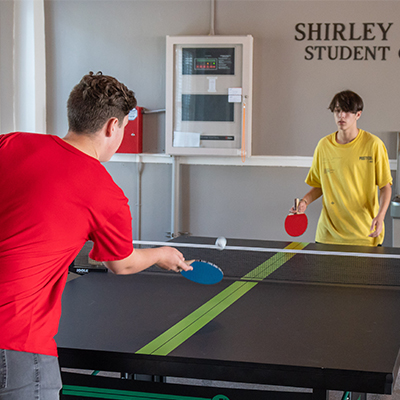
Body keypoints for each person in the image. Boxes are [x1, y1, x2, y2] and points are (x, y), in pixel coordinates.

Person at [0, 71, 191, 400]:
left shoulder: (11, 142)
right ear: (112, 126)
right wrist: (162, 253)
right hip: (17, 338)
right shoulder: (106, 193)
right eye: (124, 130)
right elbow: (122, 264)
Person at [293, 90, 392, 246]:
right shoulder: (323, 146)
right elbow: (319, 186)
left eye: (347, 111)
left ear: (358, 115)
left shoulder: (374, 145)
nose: (341, 116)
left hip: (364, 235)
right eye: (338, 111)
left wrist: (380, 216)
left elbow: (385, 187)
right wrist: (305, 202)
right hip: (327, 236)